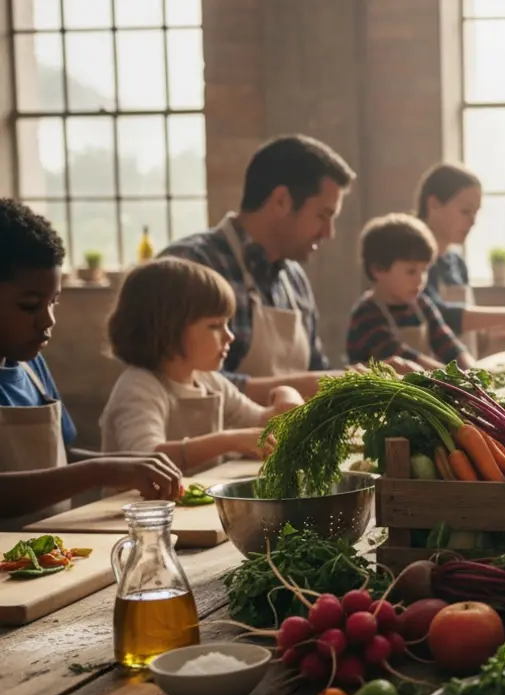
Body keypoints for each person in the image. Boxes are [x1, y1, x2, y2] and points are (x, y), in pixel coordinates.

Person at [160, 135, 397, 402]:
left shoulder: (295, 279)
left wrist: (369, 377)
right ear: (281, 200)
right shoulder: (191, 264)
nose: (328, 233)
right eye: (323, 215)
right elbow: (178, 380)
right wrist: (314, 384)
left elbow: (316, 370)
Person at [0, 199, 181, 521]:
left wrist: (125, 466)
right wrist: (101, 469)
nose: (47, 320)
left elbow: (61, 457)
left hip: (47, 556)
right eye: (29, 305)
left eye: (53, 302)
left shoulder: (32, 368)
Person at [100, 258, 301, 473]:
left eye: (227, 324)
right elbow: (148, 459)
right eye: (215, 326)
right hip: (134, 506)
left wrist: (287, 396)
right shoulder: (139, 387)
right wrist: (230, 440)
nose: (229, 336)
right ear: (169, 329)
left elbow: (263, 427)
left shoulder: (209, 380)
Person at [414, 162, 505, 347]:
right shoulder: (412, 259)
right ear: (434, 204)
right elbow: (437, 318)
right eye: (465, 211)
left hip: (460, 372)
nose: (473, 222)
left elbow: (467, 336)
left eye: (475, 212)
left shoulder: (456, 263)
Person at [347, 214, 472, 371]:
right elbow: (402, 358)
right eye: (411, 271)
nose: (420, 280)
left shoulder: (422, 304)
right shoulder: (366, 316)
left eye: (424, 270)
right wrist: (451, 377)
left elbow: (448, 343)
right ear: (378, 269)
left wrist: (471, 368)